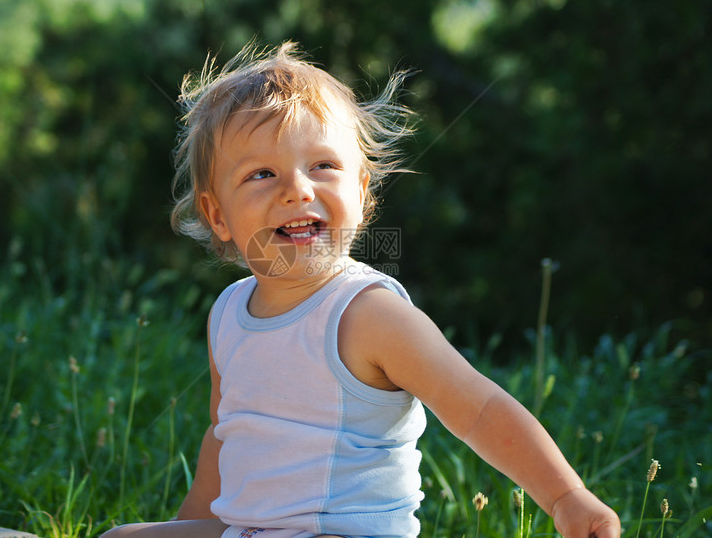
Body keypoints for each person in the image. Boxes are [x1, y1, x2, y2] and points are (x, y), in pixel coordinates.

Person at [101, 42, 621, 538]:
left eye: (323, 166)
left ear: (362, 190)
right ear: (218, 215)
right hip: (251, 530)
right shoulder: (229, 312)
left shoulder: (368, 314)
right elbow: (223, 436)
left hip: (343, 532)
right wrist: (185, 525)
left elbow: (480, 408)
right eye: (262, 173)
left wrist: (563, 496)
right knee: (122, 537)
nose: (298, 189)